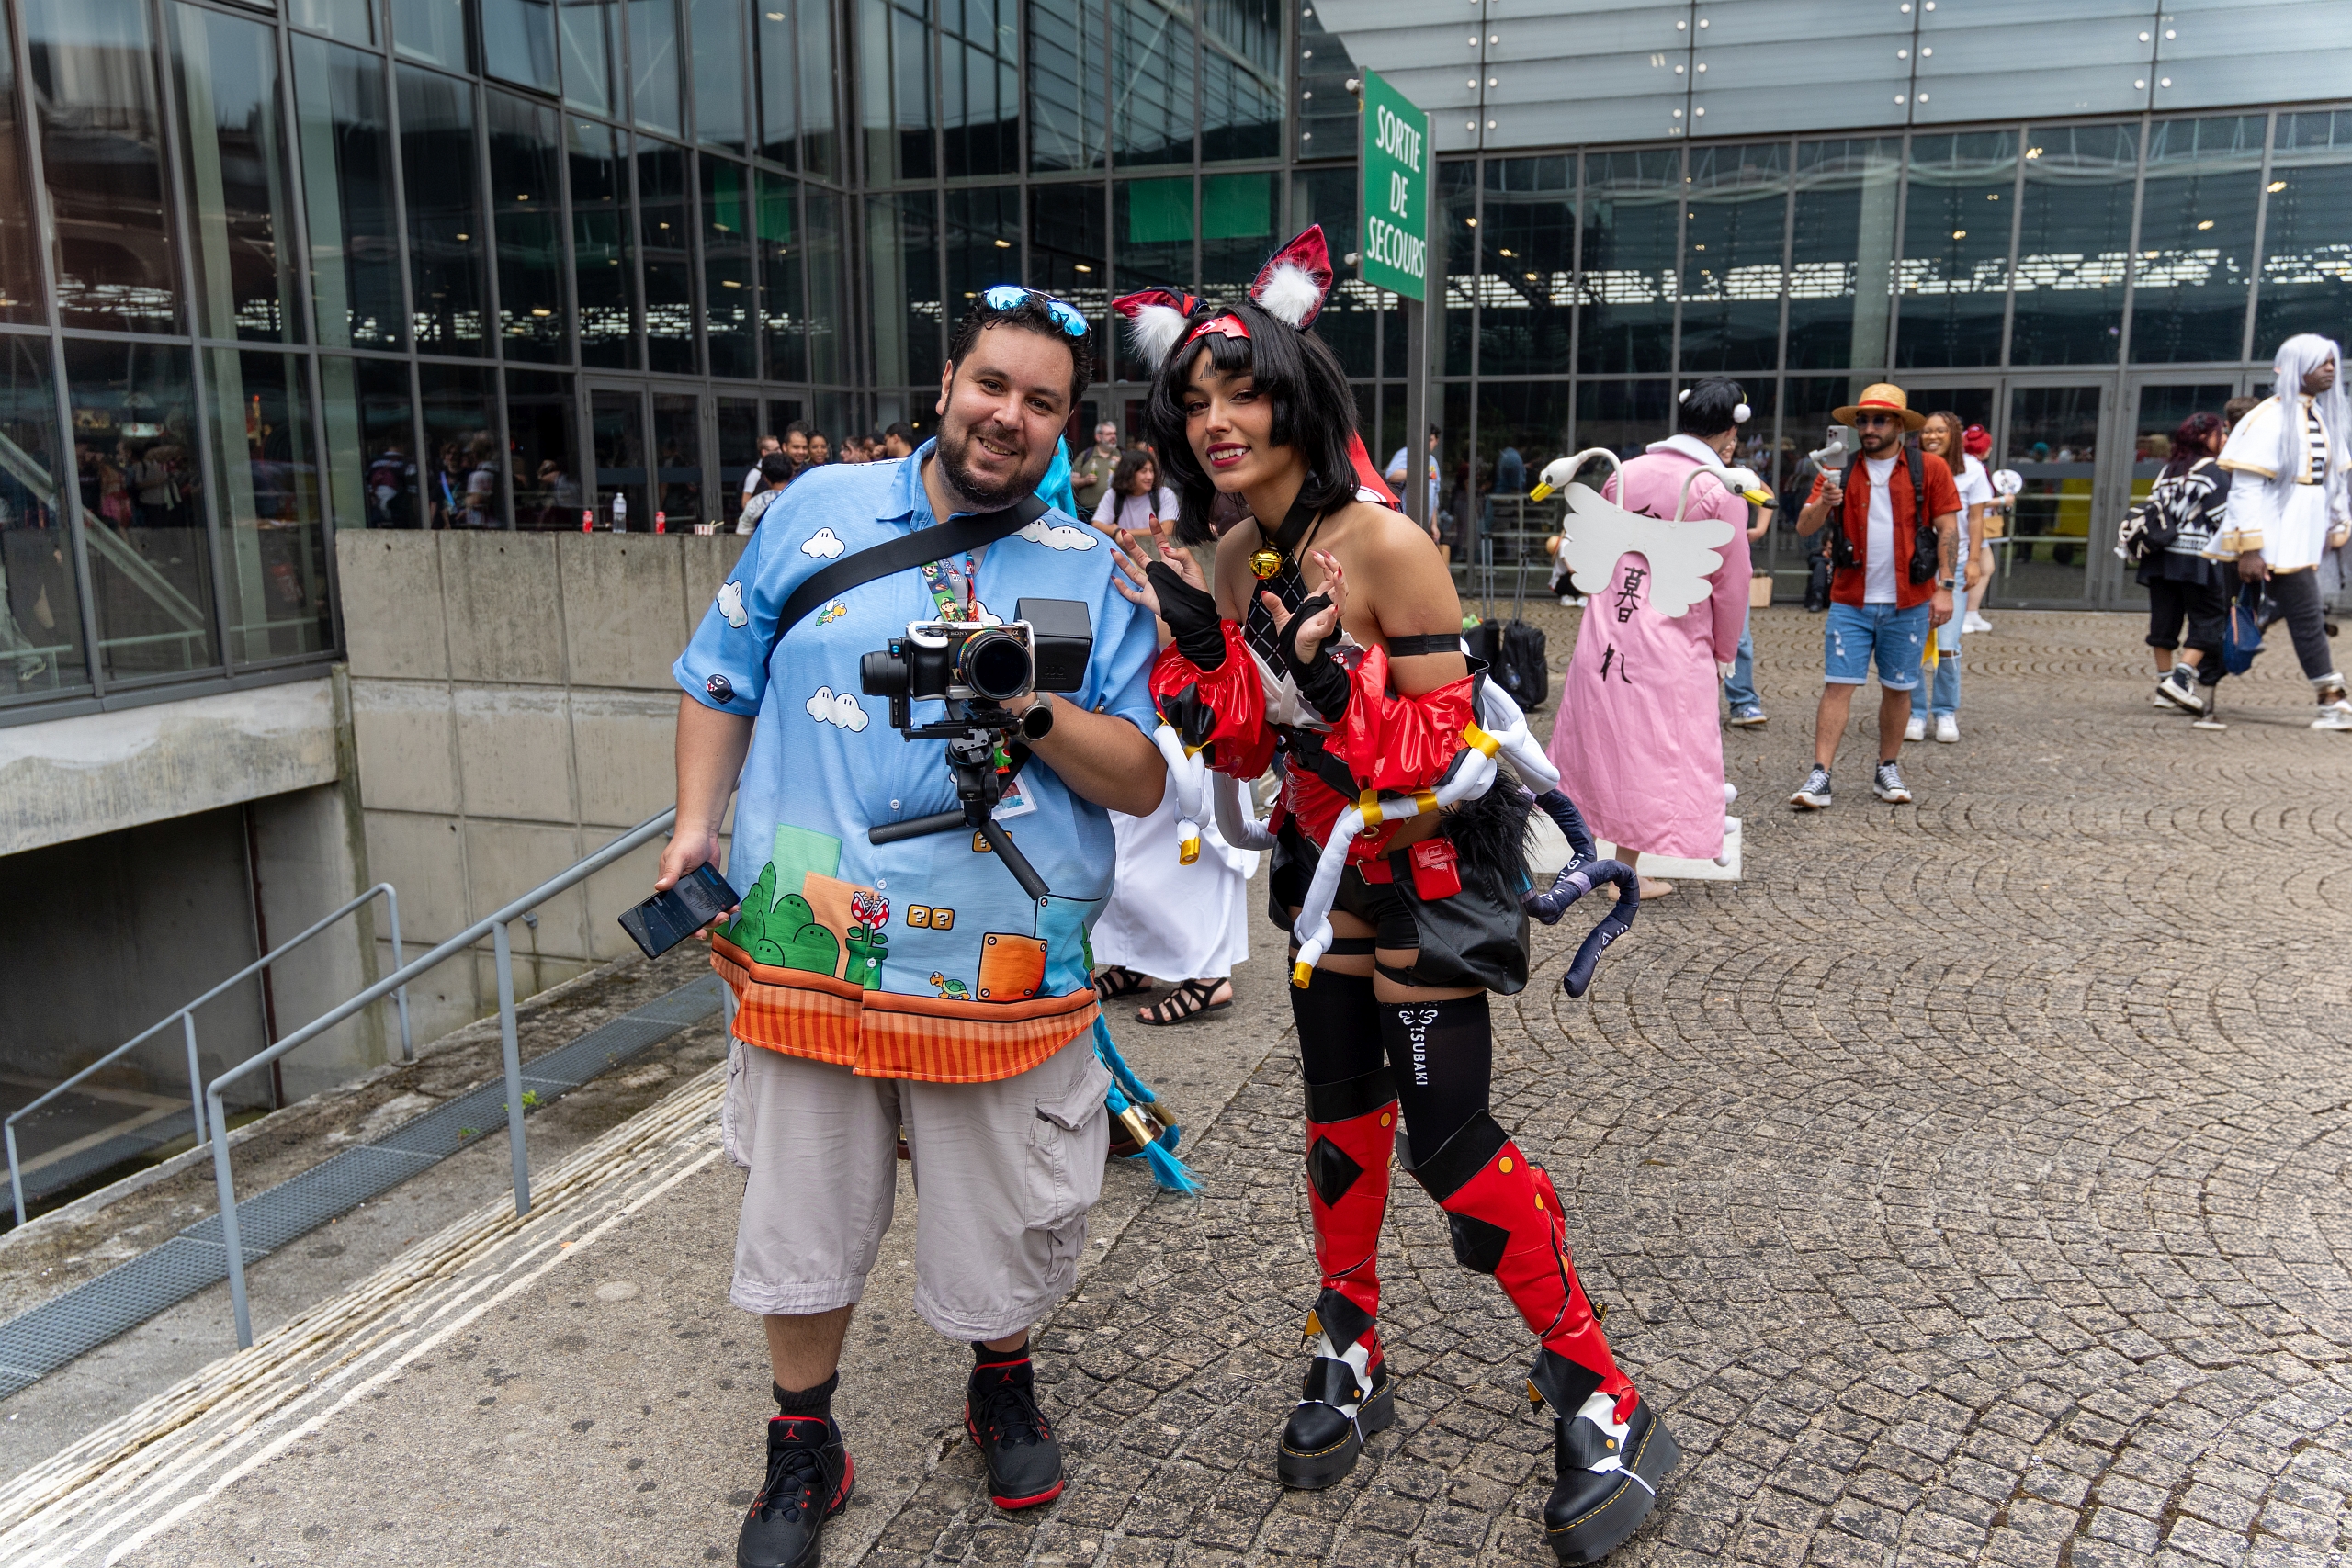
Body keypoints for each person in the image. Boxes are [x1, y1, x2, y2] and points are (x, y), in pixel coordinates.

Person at [1108, 226, 1678, 1565]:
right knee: (1336, 1121)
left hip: (1421, 871)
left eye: (1239, 391)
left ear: (1295, 392)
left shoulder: (1389, 547)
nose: (1215, 423)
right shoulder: (1241, 555)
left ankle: (1602, 1385)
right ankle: (1349, 1332)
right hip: (1320, 872)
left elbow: (1445, 757)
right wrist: (1216, 652)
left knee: (1448, 1137)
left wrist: (1326, 682)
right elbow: (1242, 751)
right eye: (1191, 403)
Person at [660, 288, 1164, 1568]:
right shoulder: (815, 510)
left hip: (1002, 954)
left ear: (1068, 428)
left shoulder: (1084, 570)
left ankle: (1001, 1373)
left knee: (999, 1194)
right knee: (803, 1202)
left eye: (1042, 402)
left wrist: (1026, 704)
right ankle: (802, 1438)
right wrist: (691, 830)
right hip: (812, 945)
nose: (1010, 416)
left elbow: (1142, 776)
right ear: (949, 380)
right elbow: (719, 674)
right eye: (993, 384)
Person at [1548, 378, 1754, 899]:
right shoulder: (1720, 487)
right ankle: (1626, 869)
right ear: (1731, 430)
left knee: (1602, 737)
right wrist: (1725, 650)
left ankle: (1585, 855)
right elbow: (1731, 583)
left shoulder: (1626, 472)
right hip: (1673, 638)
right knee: (1654, 749)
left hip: (1611, 627)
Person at [1787, 383, 1961, 809]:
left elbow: (1949, 530)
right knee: (1838, 686)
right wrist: (1826, 502)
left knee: (1899, 688)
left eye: (1879, 419)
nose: (1868, 427)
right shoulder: (1839, 467)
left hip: (1911, 600)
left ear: (1899, 425)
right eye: (1862, 420)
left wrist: (1946, 588)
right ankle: (1820, 774)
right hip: (1851, 598)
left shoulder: (1929, 469)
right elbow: (1805, 527)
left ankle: (1888, 766)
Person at [2210, 333, 2352, 730]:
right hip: (2270, 539)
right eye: (2321, 361)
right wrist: (2251, 549)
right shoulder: (2267, 417)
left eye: (2332, 362)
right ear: (2296, 367)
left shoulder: (2319, 416)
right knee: (2301, 614)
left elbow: (2330, 482)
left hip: (2298, 537)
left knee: (2261, 616)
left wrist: (2337, 523)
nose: (2330, 369)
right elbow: (2245, 488)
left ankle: (2193, 676)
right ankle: (2331, 698)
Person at [2135, 412, 2234, 716]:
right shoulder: (2212, 470)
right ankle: (2180, 678)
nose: (2226, 439)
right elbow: (2222, 518)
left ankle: (2164, 685)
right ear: (2205, 438)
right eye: (2221, 433)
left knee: (2164, 620)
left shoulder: (2168, 470)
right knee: (2210, 617)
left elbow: (2154, 507)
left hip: (2160, 556)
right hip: (2196, 558)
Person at [1904, 411, 1990, 744]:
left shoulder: (1972, 470)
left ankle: (1944, 711)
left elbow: (1977, 519)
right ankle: (1915, 713)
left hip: (1953, 566)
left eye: (1940, 430)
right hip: (1916, 567)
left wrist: (1975, 561)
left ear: (1954, 434)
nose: (1932, 436)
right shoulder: (1912, 466)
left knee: (1948, 645)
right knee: (1912, 644)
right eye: (1927, 431)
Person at [1960, 424, 2002, 633]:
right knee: (1981, 568)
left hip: (1974, 526)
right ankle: (1967, 614)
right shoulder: (1975, 468)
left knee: (1985, 568)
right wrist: (2003, 500)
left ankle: (1971, 613)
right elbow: (1978, 502)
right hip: (1972, 527)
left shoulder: (1968, 465)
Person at [1089, 446, 1177, 535]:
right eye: (1143, 471)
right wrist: (1115, 532)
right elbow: (1097, 524)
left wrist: (1121, 533)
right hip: (1122, 548)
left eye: (1151, 471)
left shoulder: (1164, 494)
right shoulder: (1114, 494)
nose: (1150, 476)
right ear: (1128, 473)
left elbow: (1167, 529)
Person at [1385, 424, 1442, 533]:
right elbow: (1391, 475)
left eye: (1430, 440)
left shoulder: (1433, 461)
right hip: (1405, 518)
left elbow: (1434, 496)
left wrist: (1434, 525)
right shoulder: (1407, 453)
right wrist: (1415, 471)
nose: (1427, 443)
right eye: (1425, 439)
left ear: (1436, 441)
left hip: (1424, 523)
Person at [1071, 419, 1123, 515]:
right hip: (1088, 513)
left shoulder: (1122, 455)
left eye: (1115, 433)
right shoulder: (1085, 455)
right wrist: (1085, 481)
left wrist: (1123, 466)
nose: (1113, 437)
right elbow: (1071, 481)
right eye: (1109, 434)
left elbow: (1134, 480)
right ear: (1098, 437)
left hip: (1115, 512)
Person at [735, 452, 793, 534]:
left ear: (765, 477)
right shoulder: (800, 500)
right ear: (791, 475)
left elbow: (742, 533)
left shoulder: (754, 503)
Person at [741, 434, 783, 508]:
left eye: (779, 448)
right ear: (764, 452)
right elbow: (745, 503)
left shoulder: (779, 469)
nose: (780, 452)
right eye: (776, 449)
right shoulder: (755, 474)